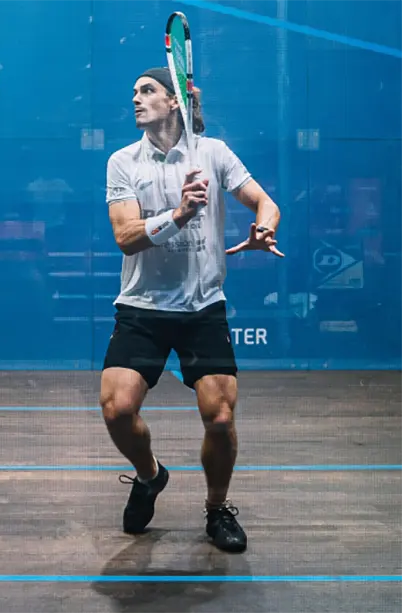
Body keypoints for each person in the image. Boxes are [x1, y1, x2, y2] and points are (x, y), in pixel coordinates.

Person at [100, 67, 283, 553]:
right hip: (142, 306)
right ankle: (149, 475)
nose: (135, 99)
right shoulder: (123, 161)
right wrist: (178, 215)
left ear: (176, 100)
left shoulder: (214, 153)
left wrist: (264, 227)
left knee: (220, 419)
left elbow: (264, 201)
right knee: (117, 409)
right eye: (134, 91)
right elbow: (125, 238)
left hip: (203, 306)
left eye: (146, 91)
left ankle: (217, 509)